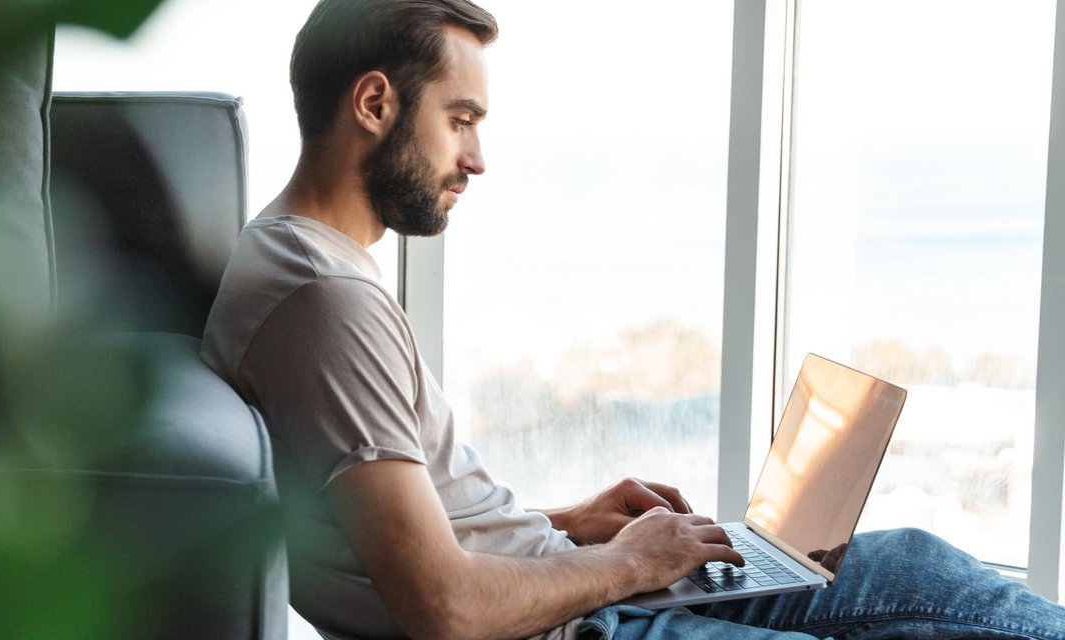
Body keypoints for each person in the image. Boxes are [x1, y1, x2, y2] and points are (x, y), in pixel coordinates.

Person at [197, 1, 1065, 638]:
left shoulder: (297, 260)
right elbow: (443, 608)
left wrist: (572, 523)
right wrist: (632, 563)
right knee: (926, 604)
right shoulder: (325, 299)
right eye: (459, 120)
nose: (477, 158)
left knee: (908, 569)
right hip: (575, 624)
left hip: (569, 588)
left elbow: (397, 526)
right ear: (376, 104)